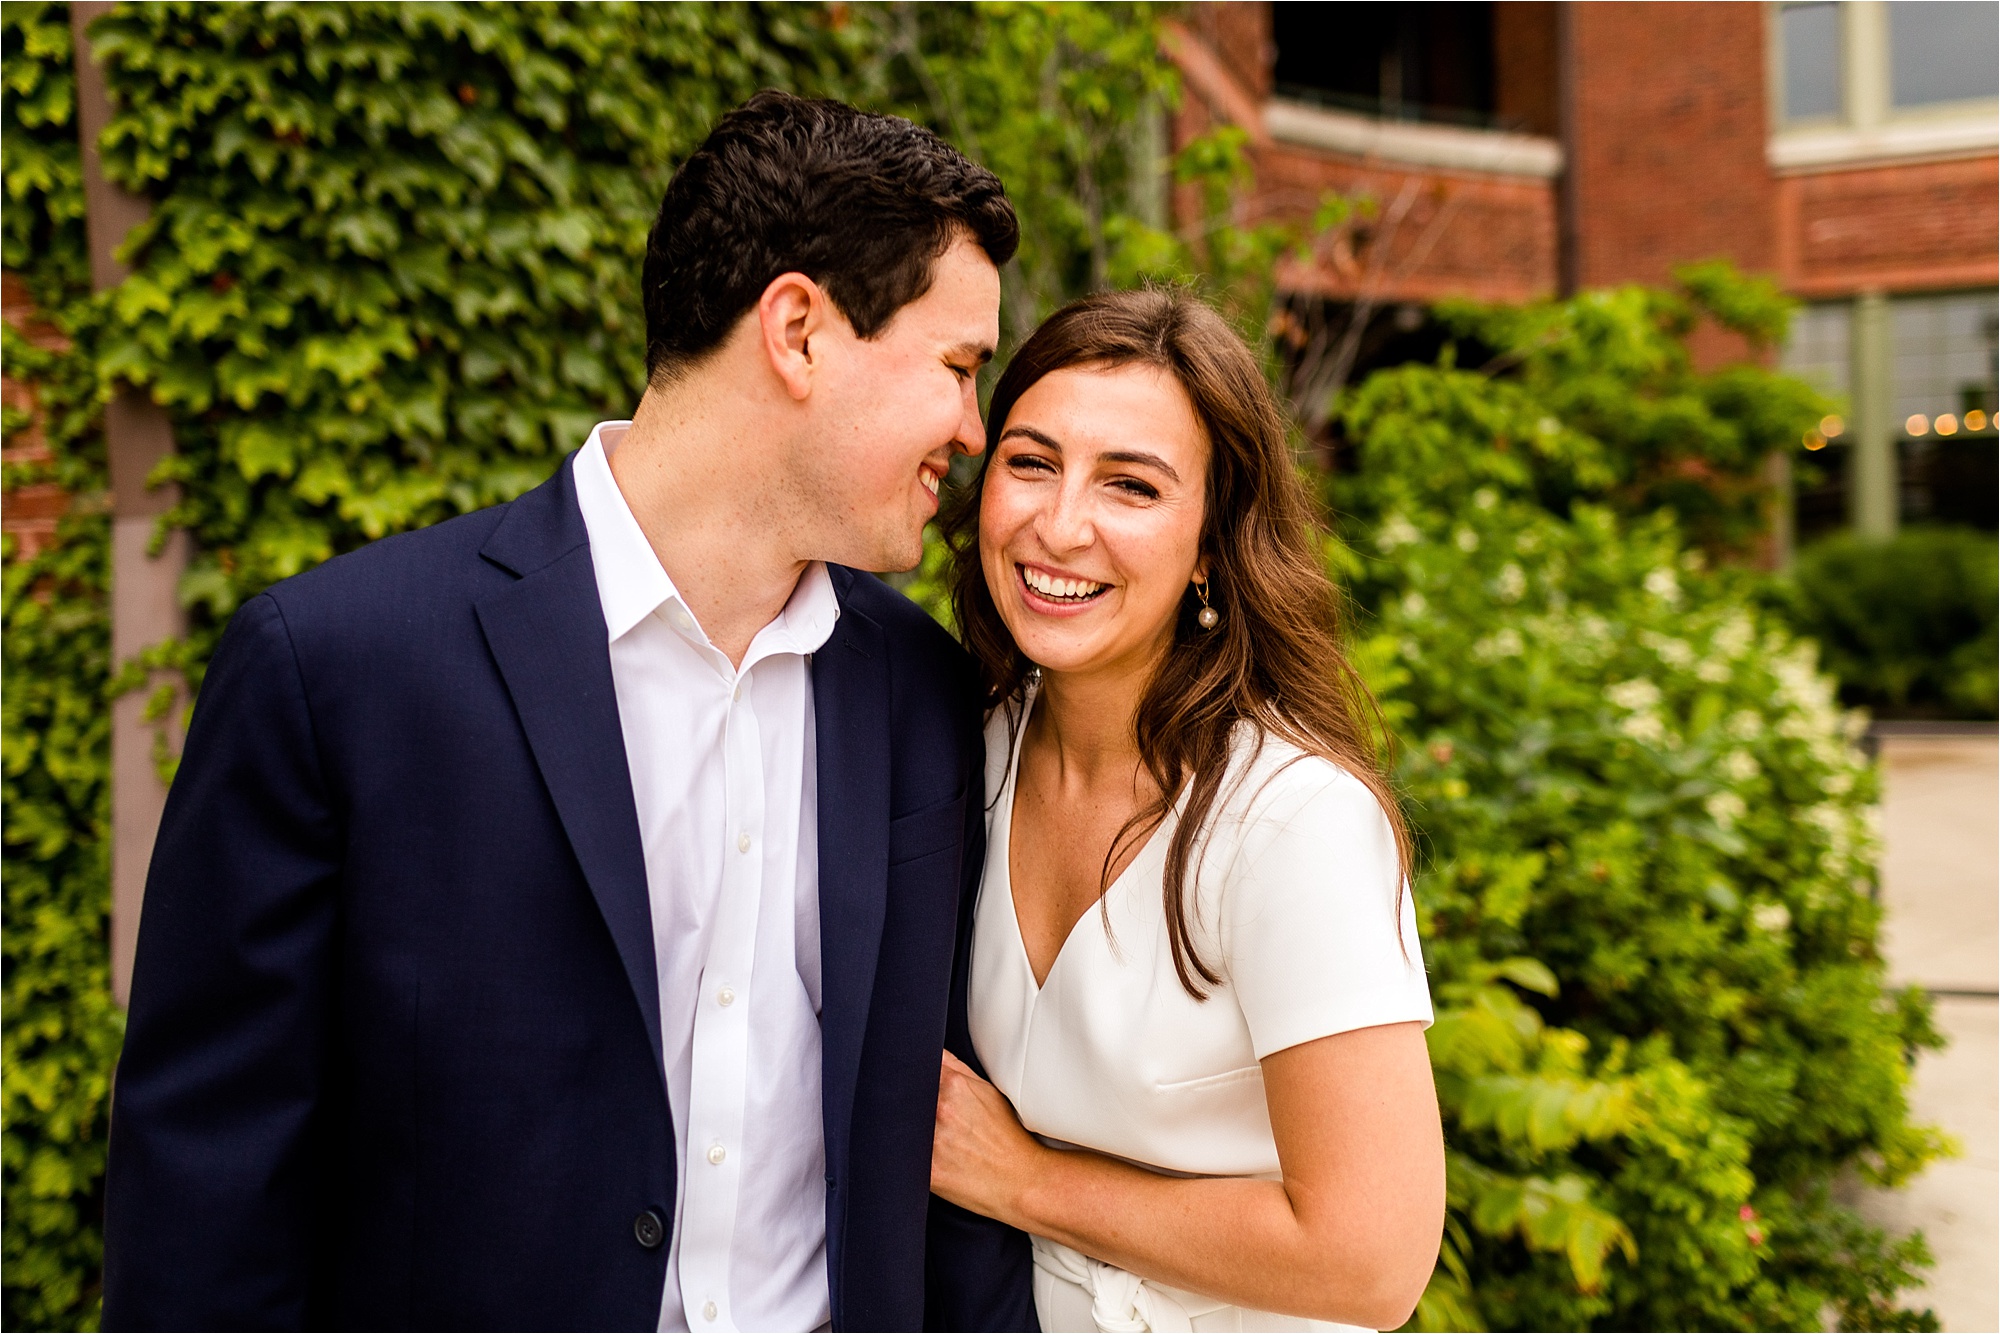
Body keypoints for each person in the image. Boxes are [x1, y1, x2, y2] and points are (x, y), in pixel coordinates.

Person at [103, 91, 1035, 1332]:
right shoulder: (337, 668)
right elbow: (206, 1198)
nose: (975, 433)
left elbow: (943, 1167)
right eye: (959, 368)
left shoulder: (927, 694)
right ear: (799, 331)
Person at [928, 289, 1446, 1333]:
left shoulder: (1288, 824)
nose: (1059, 524)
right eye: (1030, 462)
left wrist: (1023, 1180)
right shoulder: (966, 749)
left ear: (1211, 544)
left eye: (1130, 485)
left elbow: (1371, 1258)